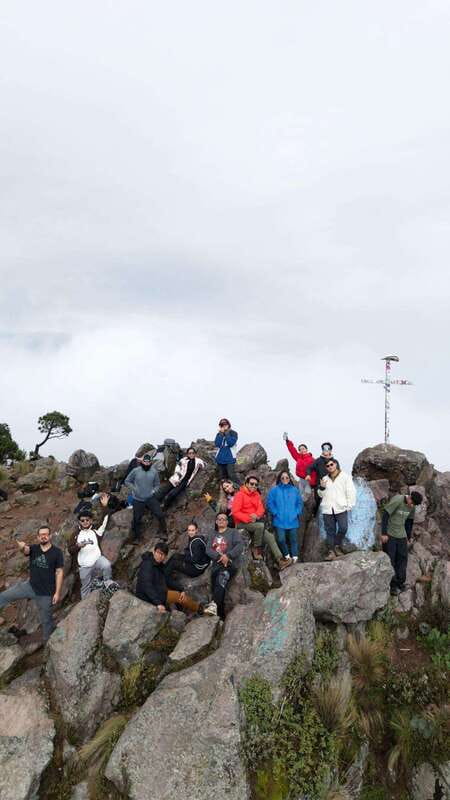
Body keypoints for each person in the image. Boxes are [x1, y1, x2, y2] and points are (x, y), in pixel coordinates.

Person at [0, 525, 63, 641]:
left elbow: (59, 572)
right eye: (41, 535)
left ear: (50, 536)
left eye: (46, 534)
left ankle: (47, 643)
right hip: (30, 586)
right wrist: (22, 547)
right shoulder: (34, 548)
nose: (43, 536)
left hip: (46, 593)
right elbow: (25, 550)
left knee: (47, 620)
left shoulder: (57, 552)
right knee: (4, 595)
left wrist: (57, 593)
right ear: (38, 537)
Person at [135, 542, 217, 615]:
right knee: (178, 596)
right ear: (154, 552)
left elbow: (167, 580)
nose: (160, 556)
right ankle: (202, 610)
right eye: (158, 553)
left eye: (163, 554)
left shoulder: (159, 565)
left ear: (165, 556)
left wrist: (181, 589)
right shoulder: (148, 565)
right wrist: (158, 603)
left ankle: (191, 609)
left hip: (158, 590)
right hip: (146, 596)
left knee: (179, 595)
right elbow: (147, 586)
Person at [232, 475, 291, 570]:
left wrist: (256, 515)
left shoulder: (256, 495)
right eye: (251, 484)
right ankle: (256, 549)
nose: (254, 486)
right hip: (241, 523)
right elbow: (235, 512)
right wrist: (248, 518)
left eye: (256, 485)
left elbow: (261, 509)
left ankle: (280, 560)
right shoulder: (239, 495)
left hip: (254, 522)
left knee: (270, 537)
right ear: (246, 484)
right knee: (260, 526)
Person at [68, 503, 118, 598]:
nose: (85, 522)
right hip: (84, 565)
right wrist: (78, 546)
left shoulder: (96, 531)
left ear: (91, 520)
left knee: (106, 565)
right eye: (82, 520)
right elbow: (70, 550)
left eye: (87, 520)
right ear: (79, 521)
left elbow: (104, 521)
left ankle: (107, 584)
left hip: (97, 559)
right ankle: (84, 606)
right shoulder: (75, 535)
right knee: (85, 587)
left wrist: (105, 506)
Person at [381, 491, 423, 595]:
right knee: (391, 559)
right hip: (390, 534)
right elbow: (385, 515)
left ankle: (400, 583)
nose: (412, 506)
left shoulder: (412, 507)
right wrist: (384, 533)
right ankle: (393, 586)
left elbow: (409, 521)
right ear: (409, 498)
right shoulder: (398, 500)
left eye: (414, 505)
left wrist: (408, 536)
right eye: (412, 503)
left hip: (401, 535)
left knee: (403, 558)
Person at [206, 512, 244, 619]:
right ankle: (220, 617)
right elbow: (208, 549)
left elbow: (240, 545)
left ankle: (213, 605)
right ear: (216, 522)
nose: (222, 521)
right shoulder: (212, 534)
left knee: (223, 575)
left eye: (224, 519)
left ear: (227, 522)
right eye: (219, 519)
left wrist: (228, 555)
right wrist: (220, 558)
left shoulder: (233, 532)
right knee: (218, 587)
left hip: (230, 565)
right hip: (216, 566)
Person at [318, 458, 356, 561]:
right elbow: (320, 494)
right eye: (328, 466)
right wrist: (322, 488)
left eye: (331, 464)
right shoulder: (324, 479)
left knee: (343, 528)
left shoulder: (345, 477)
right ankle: (332, 551)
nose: (330, 467)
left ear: (336, 464)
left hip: (341, 508)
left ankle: (336, 545)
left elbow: (351, 491)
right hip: (328, 509)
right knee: (330, 531)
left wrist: (349, 505)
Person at [124, 453, 166, 541]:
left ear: (150, 462)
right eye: (145, 461)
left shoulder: (154, 472)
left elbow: (157, 484)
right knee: (136, 519)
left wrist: (154, 491)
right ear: (142, 462)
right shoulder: (135, 471)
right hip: (138, 499)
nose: (146, 463)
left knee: (160, 515)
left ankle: (163, 532)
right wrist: (134, 489)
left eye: (148, 462)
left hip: (150, 498)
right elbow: (127, 481)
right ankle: (137, 537)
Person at [267, 470, 303, 563]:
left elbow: (299, 503)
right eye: (282, 478)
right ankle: (287, 556)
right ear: (280, 479)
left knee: (293, 540)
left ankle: (295, 557)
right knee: (281, 540)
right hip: (279, 520)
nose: (285, 479)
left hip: (293, 520)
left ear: (289, 479)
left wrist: (297, 512)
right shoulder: (274, 490)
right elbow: (270, 503)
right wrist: (275, 512)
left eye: (287, 477)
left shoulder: (294, 490)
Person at [306, 442, 335, 514]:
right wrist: (308, 474)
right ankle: (314, 515)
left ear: (330, 450)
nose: (326, 450)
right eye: (324, 449)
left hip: (331, 486)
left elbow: (339, 473)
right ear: (322, 450)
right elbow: (309, 468)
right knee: (318, 502)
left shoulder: (334, 461)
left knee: (331, 503)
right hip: (319, 485)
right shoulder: (318, 461)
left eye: (328, 449)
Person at [214, 418, 241, 485]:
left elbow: (231, 443)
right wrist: (221, 434)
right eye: (221, 425)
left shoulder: (233, 433)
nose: (223, 426)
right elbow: (217, 444)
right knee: (222, 478)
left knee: (231, 475)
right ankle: (225, 494)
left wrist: (226, 433)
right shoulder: (219, 434)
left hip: (230, 458)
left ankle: (241, 489)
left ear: (228, 425)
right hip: (220, 458)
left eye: (225, 424)